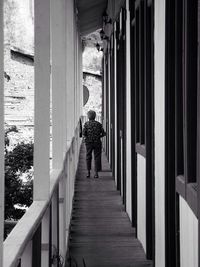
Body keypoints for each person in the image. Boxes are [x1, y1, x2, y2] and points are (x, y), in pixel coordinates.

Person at [82, 110, 106, 178]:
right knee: (97, 157)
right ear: (95, 116)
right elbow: (103, 133)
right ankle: (96, 173)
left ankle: (88, 172)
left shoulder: (86, 124)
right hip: (97, 142)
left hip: (89, 143)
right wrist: (99, 136)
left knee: (88, 156)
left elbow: (84, 134)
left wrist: (86, 138)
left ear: (88, 116)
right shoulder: (98, 124)